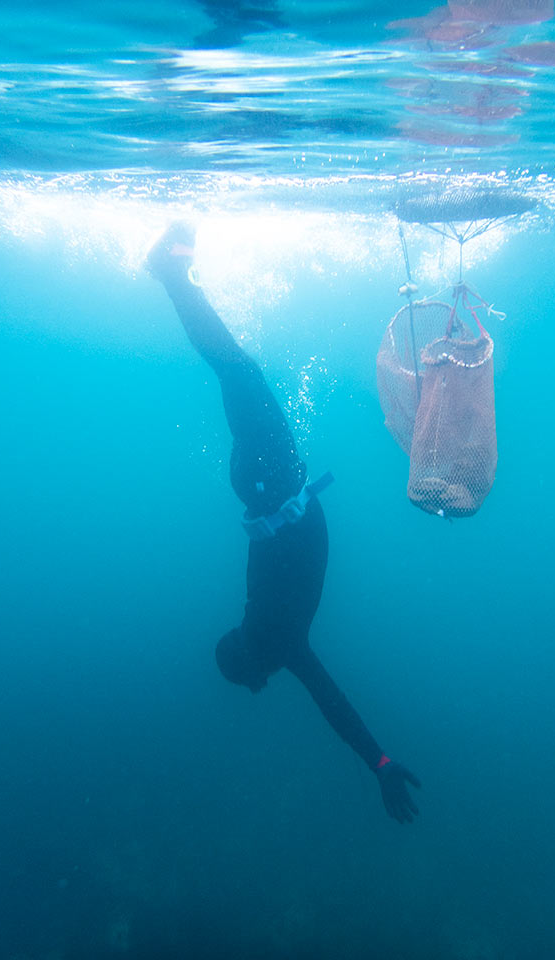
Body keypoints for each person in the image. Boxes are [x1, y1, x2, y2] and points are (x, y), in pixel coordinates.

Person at [147, 223, 420, 824]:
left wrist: (378, 761)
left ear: (249, 662)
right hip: (269, 484)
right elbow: (331, 702)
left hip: (271, 484)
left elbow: (330, 700)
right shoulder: (277, 642)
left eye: (250, 669)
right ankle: (173, 276)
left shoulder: (273, 638)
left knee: (236, 370)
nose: (259, 670)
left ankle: (172, 276)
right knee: (237, 370)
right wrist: (376, 761)